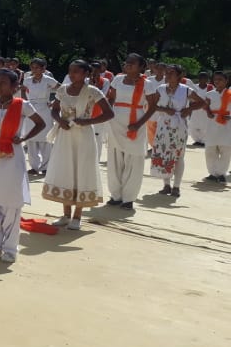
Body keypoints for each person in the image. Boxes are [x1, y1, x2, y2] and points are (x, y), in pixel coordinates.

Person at [0, 69, 46, 263]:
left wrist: (23, 137)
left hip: (12, 156)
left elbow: (40, 124)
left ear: (15, 87)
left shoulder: (22, 105)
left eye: (3, 83)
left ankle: (10, 248)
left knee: (11, 202)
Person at [44, 60, 114, 230]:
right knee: (65, 170)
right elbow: (54, 110)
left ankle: (77, 216)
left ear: (86, 74)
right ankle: (66, 214)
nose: (72, 74)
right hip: (65, 136)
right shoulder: (62, 90)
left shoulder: (92, 91)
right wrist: (60, 120)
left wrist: (87, 121)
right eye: (71, 71)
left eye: (76, 71)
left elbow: (109, 113)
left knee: (82, 170)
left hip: (84, 136)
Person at [105, 54, 159, 209]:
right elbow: (111, 100)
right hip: (116, 121)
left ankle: (128, 198)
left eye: (132, 63)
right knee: (115, 158)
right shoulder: (117, 79)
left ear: (142, 67)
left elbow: (153, 106)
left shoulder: (147, 84)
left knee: (133, 160)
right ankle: (116, 195)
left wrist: (139, 123)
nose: (128, 65)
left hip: (136, 122)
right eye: (126, 62)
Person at [150, 63, 193, 197]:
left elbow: (202, 102)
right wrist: (164, 109)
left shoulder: (186, 90)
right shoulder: (161, 89)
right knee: (163, 154)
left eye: (171, 73)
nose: (168, 75)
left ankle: (177, 187)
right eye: (167, 72)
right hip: (163, 125)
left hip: (180, 126)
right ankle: (166, 185)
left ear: (179, 75)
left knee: (178, 156)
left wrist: (189, 109)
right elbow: (152, 105)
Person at [21, 58, 59, 175]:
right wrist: (25, 101)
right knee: (31, 139)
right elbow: (23, 90)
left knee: (45, 138)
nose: (35, 70)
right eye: (32, 67)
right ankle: (34, 166)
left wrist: (54, 102)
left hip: (44, 107)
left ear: (43, 68)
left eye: (37, 67)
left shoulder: (48, 79)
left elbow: (61, 89)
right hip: (30, 107)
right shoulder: (27, 80)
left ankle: (46, 166)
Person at [203, 72, 231, 183]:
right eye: (215, 79)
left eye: (220, 79)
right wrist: (208, 111)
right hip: (212, 123)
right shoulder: (209, 94)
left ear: (226, 81)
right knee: (210, 150)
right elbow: (206, 106)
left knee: (226, 150)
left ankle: (221, 173)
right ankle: (212, 173)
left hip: (227, 124)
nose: (217, 81)